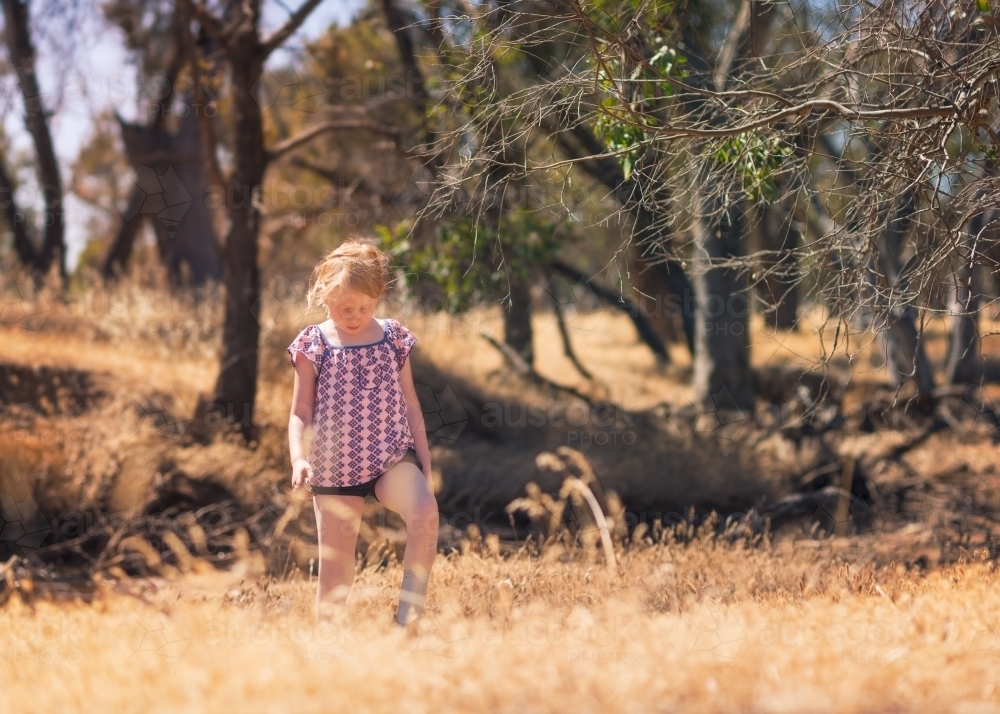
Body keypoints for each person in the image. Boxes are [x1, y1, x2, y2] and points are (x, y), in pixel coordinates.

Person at [286, 237, 438, 626]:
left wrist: (424, 460)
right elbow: (300, 410)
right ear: (324, 298)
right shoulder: (314, 343)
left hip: (391, 457)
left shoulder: (393, 337)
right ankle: (328, 649)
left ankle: (408, 621)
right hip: (334, 467)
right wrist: (298, 457)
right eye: (343, 308)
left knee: (424, 513)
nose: (354, 316)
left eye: (364, 307)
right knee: (336, 571)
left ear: (379, 296)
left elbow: (411, 402)